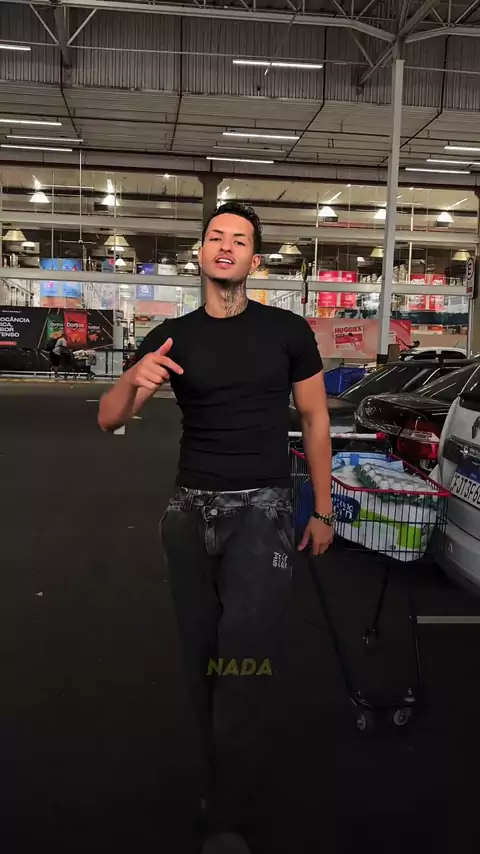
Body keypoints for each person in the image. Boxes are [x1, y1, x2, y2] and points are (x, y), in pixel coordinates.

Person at [98, 202, 334, 853]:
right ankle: (220, 776)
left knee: (242, 659)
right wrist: (133, 377)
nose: (225, 247)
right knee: (204, 661)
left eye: (240, 240)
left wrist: (322, 508)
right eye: (215, 237)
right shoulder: (171, 337)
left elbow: (315, 419)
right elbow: (109, 419)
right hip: (187, 516)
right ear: (200, 253)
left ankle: (227, 812)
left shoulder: (287, 331)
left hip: (261, 513)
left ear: (255, 259)